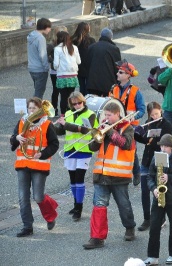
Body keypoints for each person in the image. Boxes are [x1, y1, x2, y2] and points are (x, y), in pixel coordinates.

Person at [83, 102, 136, 249]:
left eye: (109, 115)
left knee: (124, 205)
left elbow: (126, 144)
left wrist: (111, 132)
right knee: (99, 206)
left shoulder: (127, 128)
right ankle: (97, 238)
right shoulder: (103, 129)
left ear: (117, 114)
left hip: (119, 176)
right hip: (101, 175)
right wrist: (97, 135)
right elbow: (92, 147)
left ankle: (130, 227)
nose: (106, 118)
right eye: (105, 115)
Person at [10, 97, 59, 237]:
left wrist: (43, 154)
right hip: (22, 164)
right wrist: (16, 138)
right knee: (23, 197)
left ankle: (51, 215)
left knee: (38, 197)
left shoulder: (47, 124)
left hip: (39, 165)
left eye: (34, 108)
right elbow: (13, 140)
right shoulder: (22, 122)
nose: (31, 111)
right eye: (30, 108)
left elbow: (54, 144)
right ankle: (27, 226)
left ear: (40, 110)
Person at [143, 134, 172, 265]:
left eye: (165, 146)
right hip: (159, 196)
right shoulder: (156, 157)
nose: (163, 149)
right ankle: (152, 257)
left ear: (171, 147)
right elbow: (150, 177)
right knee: (154, 226)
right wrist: (154, 189)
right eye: (161, 146)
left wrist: (169, 177)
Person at [54, 92, 98, 221]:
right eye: (74, 104)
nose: (78, 105)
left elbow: (85, 130)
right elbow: (62, 131)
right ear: (71, 104)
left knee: (79, 179)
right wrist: (53, 126)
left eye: (80, 103)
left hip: (84, 150)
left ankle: (79, 207)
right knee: (72, 180)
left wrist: (65, 124)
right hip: (70, 149)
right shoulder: (68, 114)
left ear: (83, 102)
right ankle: (75, 204)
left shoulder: (90, 114)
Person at [134, 102, 172, 231]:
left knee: (158, 189)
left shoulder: (166, 125)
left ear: (161, 111)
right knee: (145, 190)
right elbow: (146, 142)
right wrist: (138, 134)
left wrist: (147, 137)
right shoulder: (148, 123)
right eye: (152, 115)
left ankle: (161, 217)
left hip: (160, 159)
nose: (155, 117)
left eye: (157, 113)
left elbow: (161, 142)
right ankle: (147, 219)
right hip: (147, 160)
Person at [109, 59, 146, 186]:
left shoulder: (136, 91)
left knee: (131, 151)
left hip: (130, 126)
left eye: (120, 72)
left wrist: (132, 117)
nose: (117, 74)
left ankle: (136, 172)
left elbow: (142, 109)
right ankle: (119, 173)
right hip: (116, 124)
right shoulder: (113, 88)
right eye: (118, 72)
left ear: (128, 75)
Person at [86, 28, 121, 96]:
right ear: (111, 37)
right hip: (108, 84)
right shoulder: (114, 49)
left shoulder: (91, 47)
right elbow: (117, 67)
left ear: (101, 36)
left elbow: (87, 64)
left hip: (92, 83)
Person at [53, 31, 81, 116]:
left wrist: (57, 67)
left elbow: (56, 64)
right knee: (70, 96)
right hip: (73, 75)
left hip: (62, 76)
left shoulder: (57, 49)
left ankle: (63, 114)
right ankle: (71, 113)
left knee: (63, 96)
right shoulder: (74, 48)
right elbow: (79, 61)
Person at [27, 18, 52, 99]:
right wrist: (46, 67)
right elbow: (43, 55)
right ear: (45, 27)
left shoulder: (31, 35)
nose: (50, 29)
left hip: (32, 68)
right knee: (39, 93)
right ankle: (34, 110)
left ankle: (33, 108)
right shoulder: (40, 38)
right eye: (49, 27)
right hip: (40, 69)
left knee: (37, 90)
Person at [47, 26, 68, 117]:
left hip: (64, 71)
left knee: (64, 92)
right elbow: (46, 56)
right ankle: (54, 109)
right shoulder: (52, 44)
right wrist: (54, 61)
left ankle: (65, 110)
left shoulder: (68, 44)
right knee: (56, 91)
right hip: (55, 72)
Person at [71, 22, 96, 96]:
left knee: (81, 86)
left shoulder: (73, 40)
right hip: (89, 66)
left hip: (78, 66)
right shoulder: (91, 40)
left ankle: (81, 100)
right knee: (88, 86)